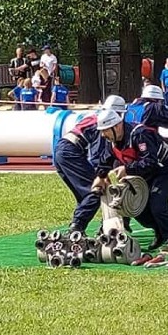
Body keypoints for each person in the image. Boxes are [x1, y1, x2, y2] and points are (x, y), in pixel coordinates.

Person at [93, 107, 168, 250]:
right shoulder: (112, 141)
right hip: (143, 172)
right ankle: (159, 230)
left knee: (157, 204)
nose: (102, 135)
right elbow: (105, 160)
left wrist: (127, 169)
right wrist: (100, 176)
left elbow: (150, 161)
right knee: (136, 208)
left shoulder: (140, 134)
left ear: (117, 126)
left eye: (105, 130)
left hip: (163, 169)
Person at [54, 96, 124, 234]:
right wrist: (101, 176)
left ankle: (79, 226)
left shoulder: (95, 115)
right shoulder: (105, 122)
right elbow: (97, 154)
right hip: (71, 151)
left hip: (62, 148)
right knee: (95, 191)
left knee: (83, 195)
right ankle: (76, 227)